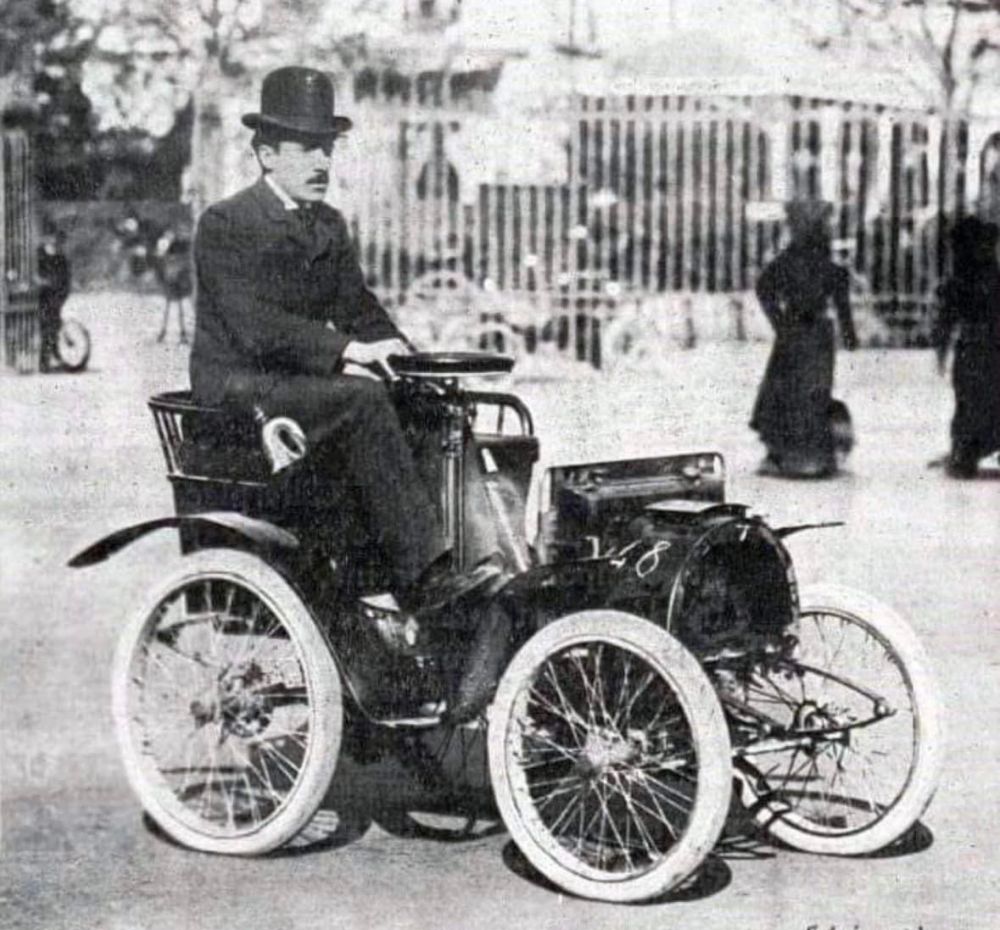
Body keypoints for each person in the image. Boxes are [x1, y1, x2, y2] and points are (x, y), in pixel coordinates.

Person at [190, 66, 506, 620]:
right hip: (240, 388)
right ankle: (423, 577)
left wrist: (401, 353)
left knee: (429, 405)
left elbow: (356, 306)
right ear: (266, 154)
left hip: (301, 384)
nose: (322, 163)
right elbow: (253, 326)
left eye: (328, 149)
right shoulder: (226, 223)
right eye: (307, 149)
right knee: (361, 399)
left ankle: (471, 558)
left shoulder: (328, 225)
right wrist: (348, 352)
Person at [750, 200, 858, 478]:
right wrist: (849, 335)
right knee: (812, 392)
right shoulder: (829, 266)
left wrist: (779, 321)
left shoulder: (787, 262)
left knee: (787, 391)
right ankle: (813, 453)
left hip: (794, 331)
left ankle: (783, 451)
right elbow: (842, 305)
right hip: (817, 334)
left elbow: (763, 288)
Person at [932, 215, 1000, 478]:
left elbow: (945, 322)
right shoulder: (993, 277)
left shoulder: (957, 282)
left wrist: (941, 354)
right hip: (991, 348)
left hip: (971, 349)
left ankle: (965, 454)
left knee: (969, 402)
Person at [37, 224, 71, 373]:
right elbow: (35, 275)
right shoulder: (38, 255)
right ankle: (46, 361)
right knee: (47, 327)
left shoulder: (61, 258)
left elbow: (66, 280)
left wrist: (61, 296)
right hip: (42, 296)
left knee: (53, 326)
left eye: (55, 238)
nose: (53, 240)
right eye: (50, 237)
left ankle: (53, 357)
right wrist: (43, 282)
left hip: (55, 297)